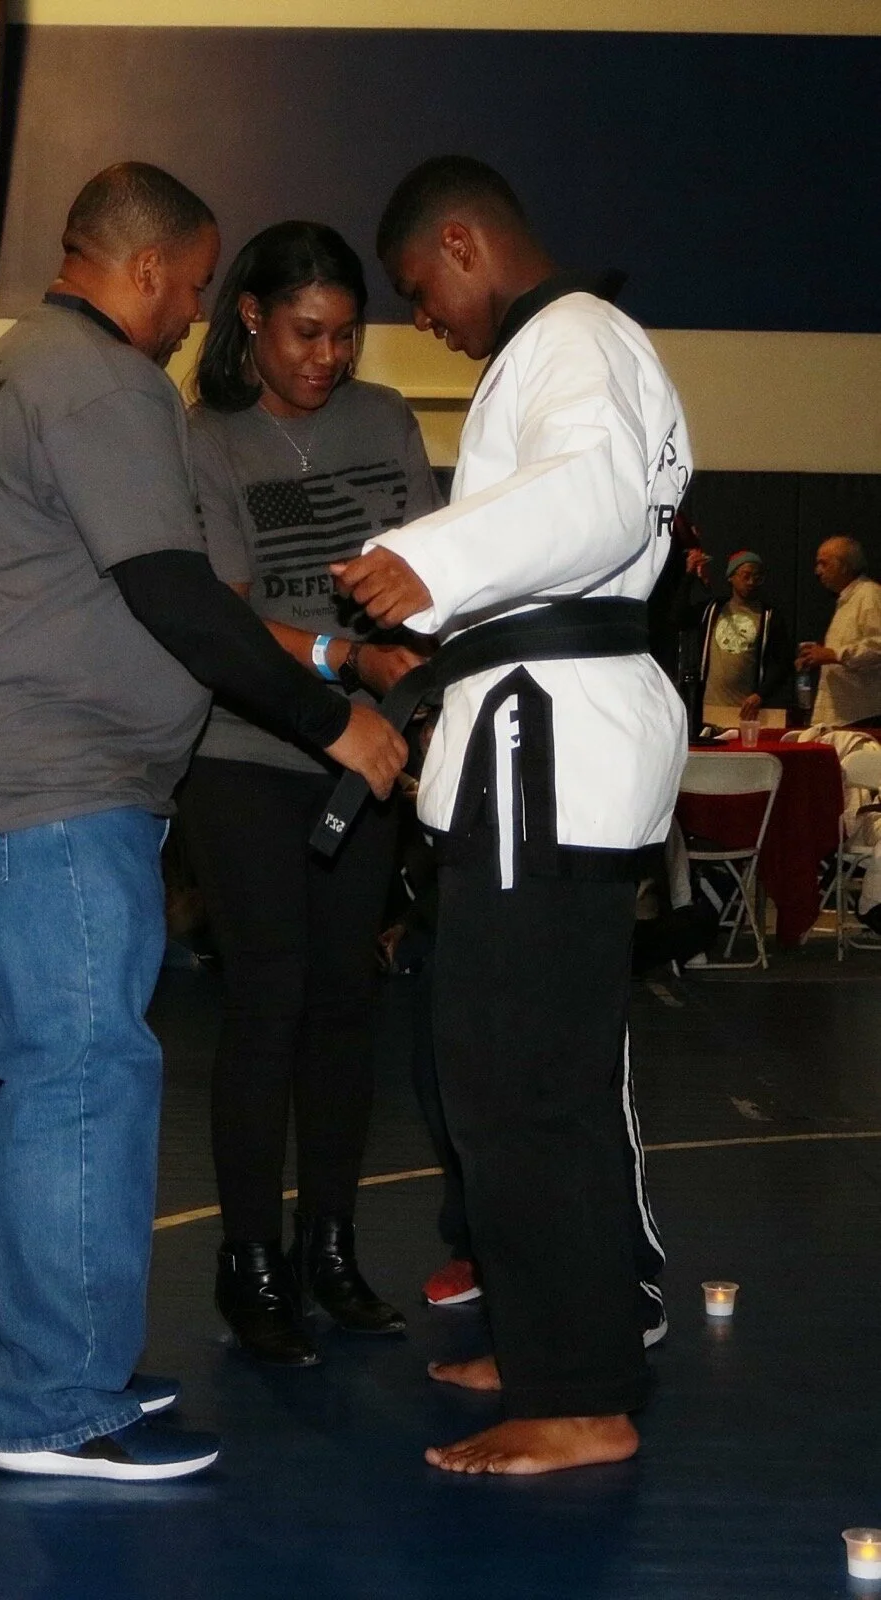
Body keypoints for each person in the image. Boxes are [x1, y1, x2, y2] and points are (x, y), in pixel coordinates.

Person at [0, 164, 406, 1485]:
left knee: (25, 1079)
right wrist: (328, 715)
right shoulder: (104, 382)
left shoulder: (14, 366)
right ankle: (60, 1405)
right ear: (137, 271)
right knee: (81, 1080)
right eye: (190, 285)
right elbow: (178, 598)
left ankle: (15, 1359)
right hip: (51, 790)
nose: (193, 313)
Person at [333, 155, 689, 1476]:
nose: (423, 317)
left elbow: (590, 502)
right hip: (543, 735)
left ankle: (576, 1393)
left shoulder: (573, 338)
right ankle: (556, 1347)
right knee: (525, 1070)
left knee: (515, 1077)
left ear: (466, 243)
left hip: (544, 751)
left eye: (421, 287)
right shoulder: (564, 350)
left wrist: (421, 561)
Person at [178, 221, 440, 1365]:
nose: (327, 356)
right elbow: (227, 619)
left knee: (346, 1000)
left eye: (345, 334)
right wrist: (347, 662)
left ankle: (329, 1244)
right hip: (249, 754)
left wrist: (417, 666)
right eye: (305, 332)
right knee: (270, 995)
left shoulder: (386, 420)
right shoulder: (207, 440)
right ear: (250, 317)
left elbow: (433, 572)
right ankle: (250, 1261)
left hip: (373, 752)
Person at [680, 548, 794, 728]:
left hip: (746, 713)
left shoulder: (769, 616)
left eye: (757, 577)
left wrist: (760, 694)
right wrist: (689, 576)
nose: (751, 582)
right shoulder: (713, 609)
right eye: (746, 576)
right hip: (710, 709)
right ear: (731, 577)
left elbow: (782, 663)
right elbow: (677, 617)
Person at [798, 537, 881, 728]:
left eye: (823, 563)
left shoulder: (869, 595)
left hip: (862, 716)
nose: (817, 571)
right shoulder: (847, 600)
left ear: (844, 566)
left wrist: (834, 654)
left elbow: (878, 646)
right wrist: (816, 656)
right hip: (844, 715)